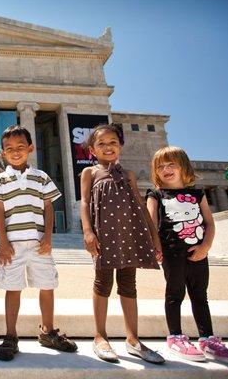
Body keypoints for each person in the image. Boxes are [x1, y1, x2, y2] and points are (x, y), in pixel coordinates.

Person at [0, 125, 76, 362]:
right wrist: (2, 242)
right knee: (12, 288)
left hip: (38, 243)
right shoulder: (0, 179)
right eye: (9, 149)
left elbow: (48, 207)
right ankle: (11, 336)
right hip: (12, 244)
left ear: (31, 148)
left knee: (47, 285)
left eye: (20, 147)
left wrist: (48, 236)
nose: (15, 152)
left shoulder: (42, 177)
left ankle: (48, 332)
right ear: (3, 152)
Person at [146, 146, 228, 364]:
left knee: (200, 295)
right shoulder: (156, 194)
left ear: (183, 167)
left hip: (197, 250)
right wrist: (156, 246)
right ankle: (176, 337)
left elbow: (209, 222)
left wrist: (206, 246)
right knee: (174, 293)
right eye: (160, 166)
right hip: (171, 251)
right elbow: (151, 223)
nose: (166, 169)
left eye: (171, 164)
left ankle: (208, 339)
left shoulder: (197, 193)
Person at [80, 123, 164, 364]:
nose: (108, 147)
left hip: (130, 235)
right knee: (102, 282)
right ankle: (100, 336)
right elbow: (85, 203)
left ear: (120, 146)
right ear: (92, 150)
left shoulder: (129, 175)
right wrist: (88, 231)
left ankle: (133, 339)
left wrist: (154, 237)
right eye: (102, 144)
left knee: (129, 284)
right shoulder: (90, 173)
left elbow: (140, 205)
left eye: (113, 143)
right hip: (103, 236)